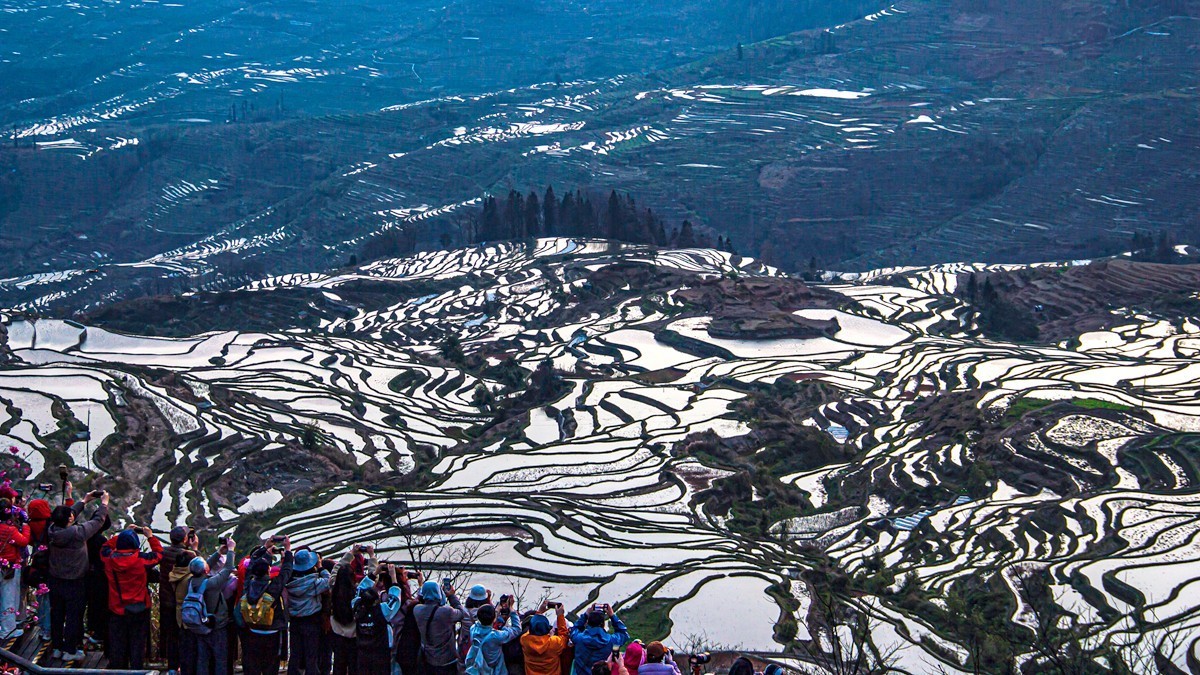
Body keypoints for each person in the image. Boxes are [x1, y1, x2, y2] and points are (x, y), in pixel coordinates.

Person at [46, 488, 109, 662]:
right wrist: (104, 504)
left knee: (57, 613)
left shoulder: (52, 530)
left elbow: (67, 515)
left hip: (55, 579)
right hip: (74, 581)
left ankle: (57, 647)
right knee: (74, 615)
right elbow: (97, 521)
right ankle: (70, 649)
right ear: (69, 520)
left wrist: (84, 500)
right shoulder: (77, 534)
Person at [100, 525, 163, 669]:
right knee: (137, 643)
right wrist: (150, 537)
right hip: (139, 608)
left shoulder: (109, 559)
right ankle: (136, 668)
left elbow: (105, 547)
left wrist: (123, 533)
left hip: (117, 608)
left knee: (118, 643)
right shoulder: (141, 560)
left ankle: (118, 669)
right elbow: (159, 554)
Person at [236, 538, 294, 675]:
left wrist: (265, 549)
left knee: (253, 667)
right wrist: (287, 551)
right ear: (269, 570)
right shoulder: (273, 588)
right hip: (272, 633)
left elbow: (251, 566)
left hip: (252, 630)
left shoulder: (248, 586)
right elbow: (286, 571)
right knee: (270, 667)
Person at [182, 537, 237, 675]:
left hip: (200, 625)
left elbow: (204, 567)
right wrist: (231, 550)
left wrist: (218, 553)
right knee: (220, 660)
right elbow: (228, 568)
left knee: (202, 659)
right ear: (205, 570)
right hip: (217, 625)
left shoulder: (190, 581)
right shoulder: (212, 584)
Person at [330, 545, 377, 675]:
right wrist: (372, 556)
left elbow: (336, 570)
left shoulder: (333, 588)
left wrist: (350, 553)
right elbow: (372, 579)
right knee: (354, 667)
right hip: (355, 636)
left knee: (338, 666)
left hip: (337, 634)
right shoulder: (359, 592)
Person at [285, 548, 331, 675]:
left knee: (295, 654)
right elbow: (329, 580)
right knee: (311, 655)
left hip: (295, 621)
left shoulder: (289, 582)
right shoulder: (314, 583)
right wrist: (320, 567)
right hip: (312, 621)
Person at [160, 526, 199, 675]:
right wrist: (195, 549)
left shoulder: (163, 553)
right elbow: (200, 567)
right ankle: (186, 667)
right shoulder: (189, 556)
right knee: (186, 636)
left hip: (166, 601)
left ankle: (171, 667)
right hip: (183, 603)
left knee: (171, 636)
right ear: (184, 539)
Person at [352, 564, 402, 675]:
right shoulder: (382, 610)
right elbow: (395, 599)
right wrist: (393, 577)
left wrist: (374, 573)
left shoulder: (357, 607)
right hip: (380, 653)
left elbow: (359, 590)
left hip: (362, 651)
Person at [413, 580, 472, 675]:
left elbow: (420, 600)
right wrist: (451, 596)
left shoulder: (417, 610)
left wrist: (421, 588)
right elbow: (462, 613)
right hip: (447, 659)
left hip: (428, 659)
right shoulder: (446, 612)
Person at [464, 598, 522, 675]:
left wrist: (497, 610)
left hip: (478, 668)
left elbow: (485, 621)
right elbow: (517, 629)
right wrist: (512, 610)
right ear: (494, 619)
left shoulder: (473, 629)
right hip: (495, 671)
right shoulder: (496, 636)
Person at [0, 499, 30, 638]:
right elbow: (23, 541)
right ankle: (7, 630)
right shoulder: (9, 530)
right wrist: (25, 527)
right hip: (9, 566)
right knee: (8, 598)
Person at [569, 604, 628, 675]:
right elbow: (623, 633)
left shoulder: (579, 638)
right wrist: (612, 615)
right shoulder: (612, 641)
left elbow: (573, 629)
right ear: (603, 624)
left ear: (588, 622)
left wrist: (585, 615)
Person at [24, 497, 53, 641]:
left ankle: (43, 627)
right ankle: (49, 629)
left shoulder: (30, 525)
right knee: (50, 599)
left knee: (41, 598)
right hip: (51, 565)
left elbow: (28, 541)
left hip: (37, 565)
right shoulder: (50, 525)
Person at [521, 602, 569, 675]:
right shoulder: (553, 642)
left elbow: (532, 628)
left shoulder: (525, 640)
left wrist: (539, 612)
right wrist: (560, 616)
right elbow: (564, 636)